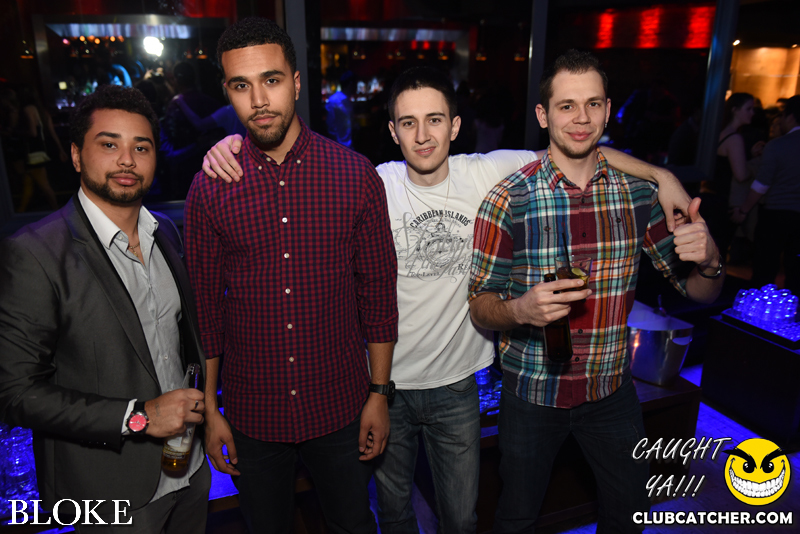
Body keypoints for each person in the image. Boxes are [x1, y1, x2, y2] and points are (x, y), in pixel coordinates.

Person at [202, 63, 693, 533]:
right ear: (393, 132)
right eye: (408, 123)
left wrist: (661, 176)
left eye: (435, 120)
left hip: (457, 386)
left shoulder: (485, 172)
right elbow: (296, 167)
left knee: (461, 519)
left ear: (455, 126)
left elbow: (574, 148)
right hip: (382, 387)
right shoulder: (373, 181)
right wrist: (233, 145)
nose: (423, 135)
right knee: (393, 515)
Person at [468, 50, 723, 533]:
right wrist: (520, 309)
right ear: (543, 115)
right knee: (516, 517)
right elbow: (480, 306)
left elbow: (699, 293)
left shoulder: (638, 194)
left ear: (607, 110)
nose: (581, 118)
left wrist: (710, 261)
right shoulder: (509, 199)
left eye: (592, 104)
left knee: (629, 513)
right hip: (532, 392)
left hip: (611, 391)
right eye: (566, 105)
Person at [183, 17, 398, 534]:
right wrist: (211, 411)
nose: (259, 100)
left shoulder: (354, 175)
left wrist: (379, 393)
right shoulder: (210, 188)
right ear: (227, 92)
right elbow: (205, 309)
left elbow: (378, 294)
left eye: (272, 80)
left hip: (341, 405)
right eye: (241, 86)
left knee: (353, 524)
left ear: (297, 83)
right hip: (252, 413)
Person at [0, 85, 210, 532]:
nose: (127, 160)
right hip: (110, 493)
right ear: (77, 155)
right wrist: (139, 417)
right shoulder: (35, 254)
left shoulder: (165, 232)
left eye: (141, 147)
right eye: (109, 144)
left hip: (190, 470)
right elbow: (15, 392)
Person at [734, 95, 800, 294]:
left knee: (765, 269)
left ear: (790, 117)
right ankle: (794, 310)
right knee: (796, 272)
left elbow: (761, 186)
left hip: (775, 214)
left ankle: (757, 309)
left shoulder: (778, 145)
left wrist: (743, 211)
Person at [326, 70, 356, 147]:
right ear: (351, 84)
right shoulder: (334, 100)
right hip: (339, 146)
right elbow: (330, 126)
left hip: (348, 145)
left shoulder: (347, 100)